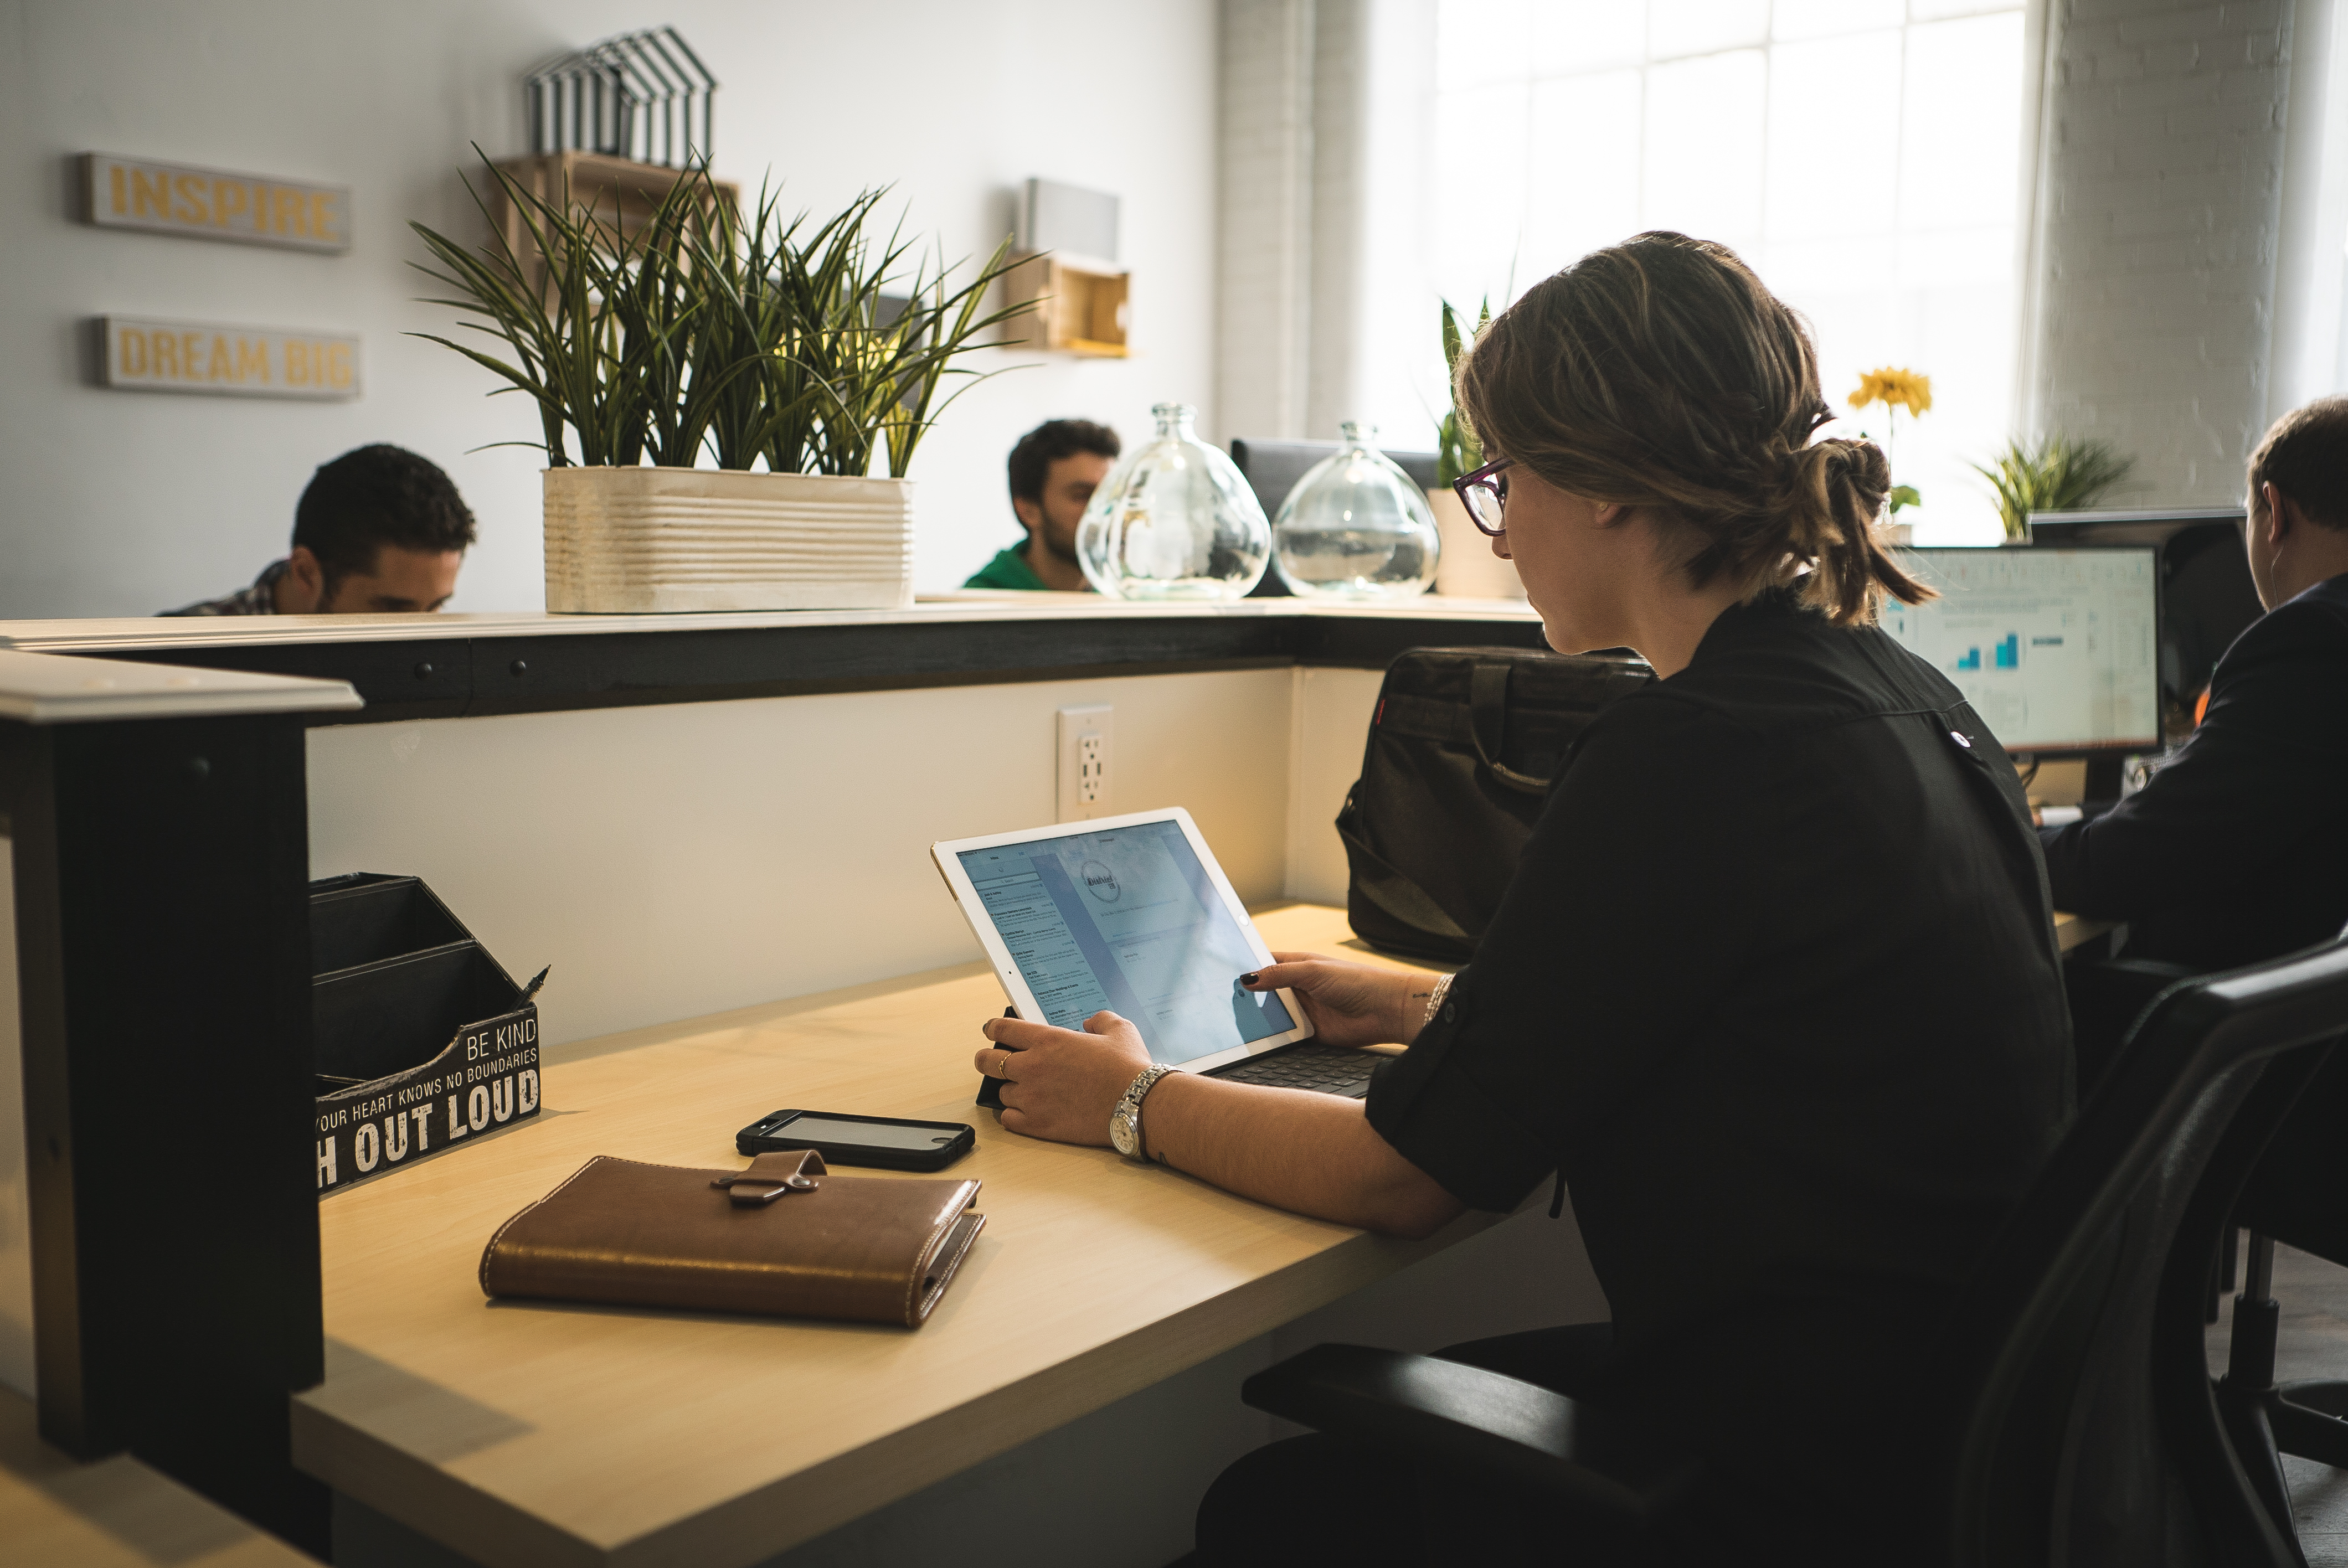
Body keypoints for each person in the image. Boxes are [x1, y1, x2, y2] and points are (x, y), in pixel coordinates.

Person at [972, 234, 2071, 1565]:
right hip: (1942, 1424)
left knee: (1263, 1513)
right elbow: (1744, 1018)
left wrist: (1127, 1103)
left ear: (1603, 484)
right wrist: (1431, 1004)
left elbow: (1402, 1180)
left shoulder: (1693, 750)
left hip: (1782, 1475)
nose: (1489, 522)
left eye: (1497, 476)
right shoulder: (1895, 698)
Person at [2039, 398, 2348, 1256]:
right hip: (2318, 1039)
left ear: (2272, 512)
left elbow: (2125, 867)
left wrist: (1990, 830)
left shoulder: (2311, 639)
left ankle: (2042, 1348)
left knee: (2024, 997)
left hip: (2292, 1085)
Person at [163, 443, 475, 615]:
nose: (422, 642)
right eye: (392, 609)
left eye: (436, 608)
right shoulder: (167, 660)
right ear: (305, 573)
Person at [962, 419, 1118, 591]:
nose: (1106, 510)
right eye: (1082, 496)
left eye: (1112, 494)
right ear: (1029, 511)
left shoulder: (1126, 595)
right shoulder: (980, 606)